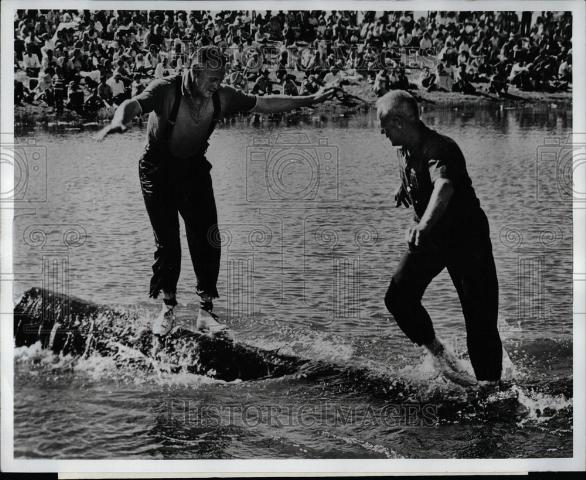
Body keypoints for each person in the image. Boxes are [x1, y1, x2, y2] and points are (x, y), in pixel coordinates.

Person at [97, 46, 333, 338]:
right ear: (195, 72)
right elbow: (134, 104)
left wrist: (309, 99)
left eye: (221, 78)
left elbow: (265, 103)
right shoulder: (166, 89)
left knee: (208, 237)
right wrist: (119, 121)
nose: (217, 84)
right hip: (158, 171)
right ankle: (168, 309)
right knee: (168, 243)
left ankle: (206, 312)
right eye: (212, 78)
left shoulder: (223, 96)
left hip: (193, 169)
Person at [378, 90, 502, 389]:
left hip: (466, 241)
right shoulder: (405, 147)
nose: (380, 131)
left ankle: (491, 391)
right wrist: (404, 188)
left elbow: (444, 187)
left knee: (480, 323)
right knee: (399, 297)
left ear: (398, 121)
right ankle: (440, 353)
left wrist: (422, 226)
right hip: (434, 239)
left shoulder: (440, 147)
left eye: (383, 125)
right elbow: (422, 176)